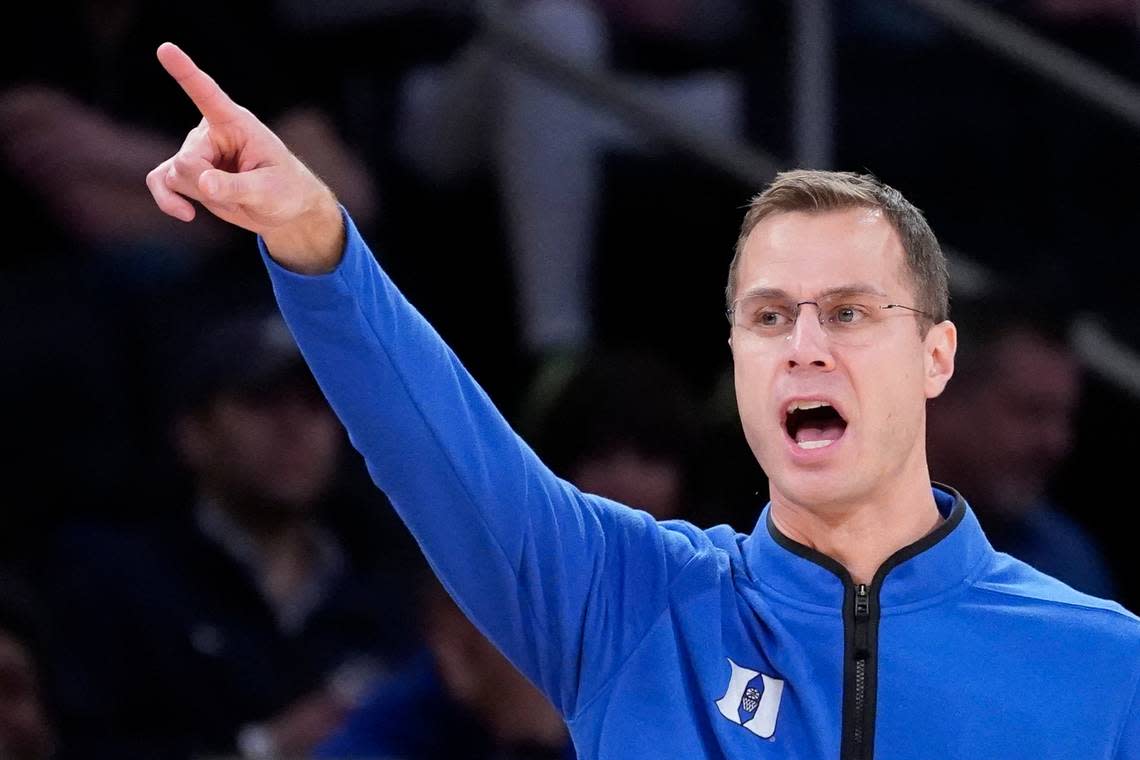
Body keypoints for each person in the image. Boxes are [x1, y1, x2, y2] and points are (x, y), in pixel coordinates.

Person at [146, 43, 1140, 758]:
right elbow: (435, 445)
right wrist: (317, 243)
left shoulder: (1107, 666)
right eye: (767, 318)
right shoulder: (625, 598)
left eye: (846, 313)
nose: (802, 348)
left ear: (935, 356)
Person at [37, 309, 417, 760]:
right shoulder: (115, 583)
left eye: (317, 403)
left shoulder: (393, 591)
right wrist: (261, 749)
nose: (294, 427)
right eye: (261, 401)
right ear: (192, 433)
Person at [926, 294, 1116, 598]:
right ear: (942, 395)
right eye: (1031, 412)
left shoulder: (1064, 570)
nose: (1057, 443)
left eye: (1064, 418)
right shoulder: (835, 510)